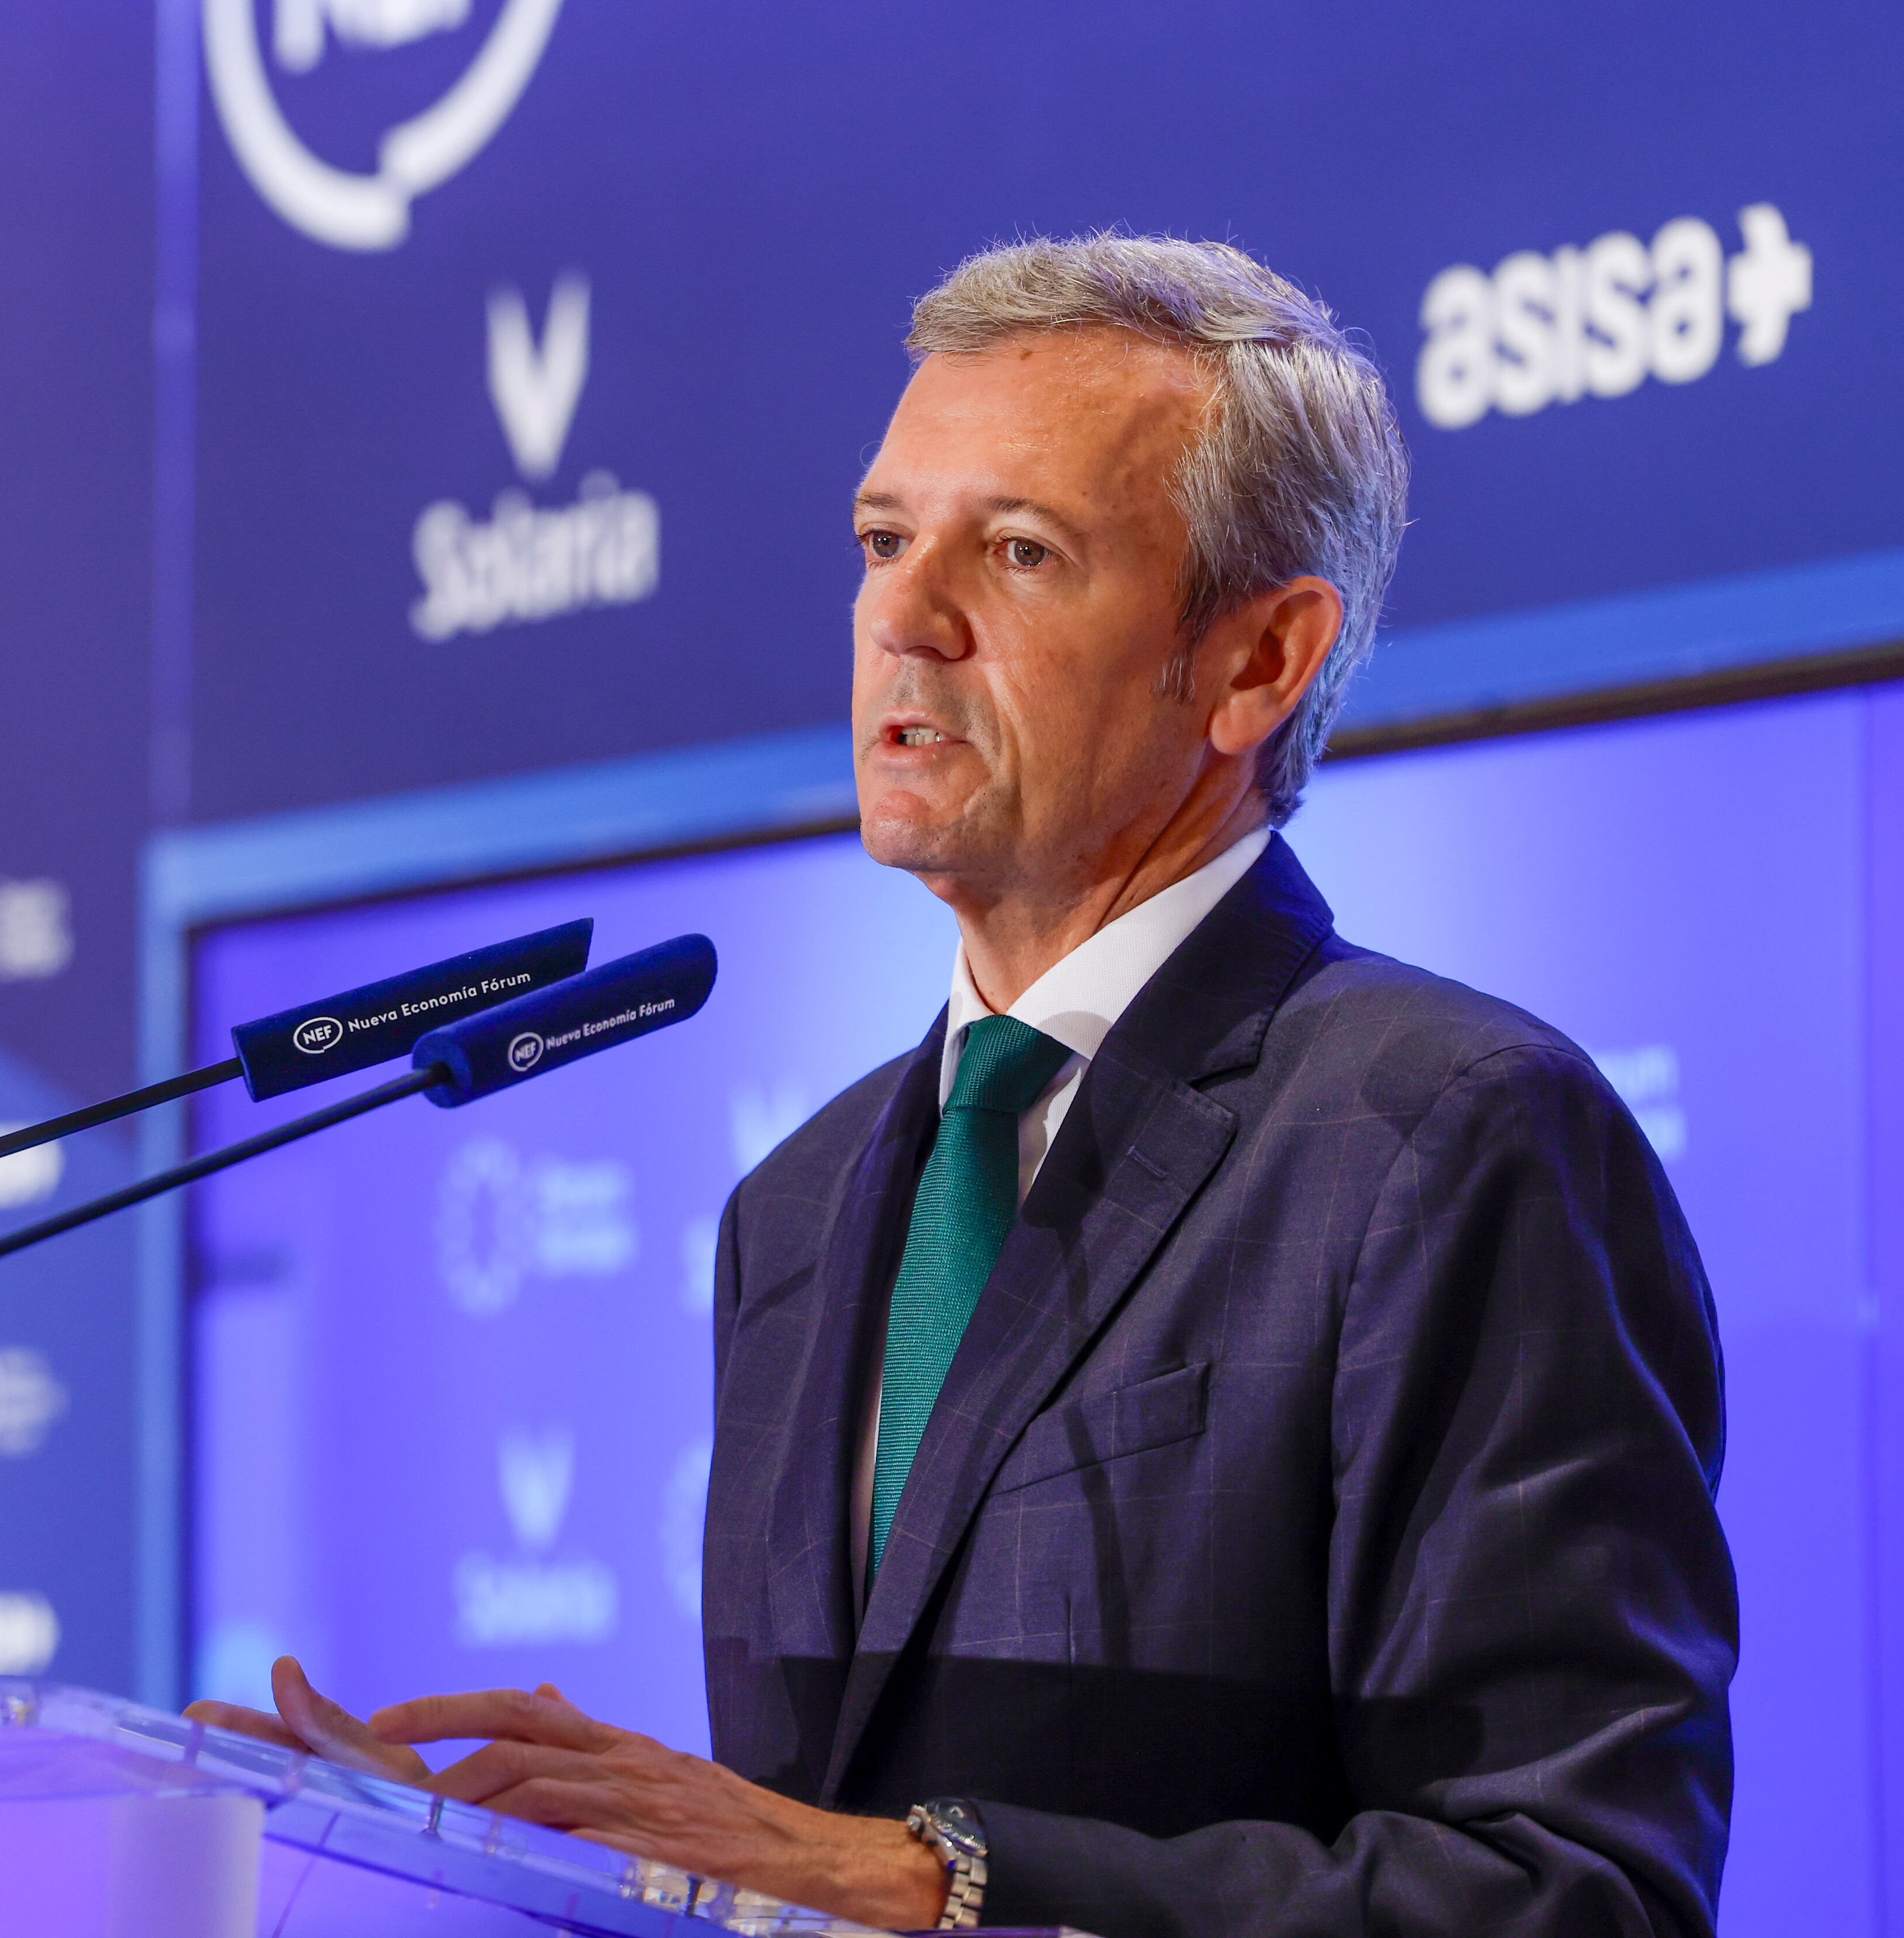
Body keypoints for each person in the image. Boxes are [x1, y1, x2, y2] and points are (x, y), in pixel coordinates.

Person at [189, 234, 1733, 1938]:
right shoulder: (795, 1206)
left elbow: (1579, 1892)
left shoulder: (1449, 1134)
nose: (904, 622)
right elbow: (805, 1871)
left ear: (1257, 663)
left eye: (1017, 550)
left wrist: (940, 1882)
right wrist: (518, 1858)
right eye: (880, 541)